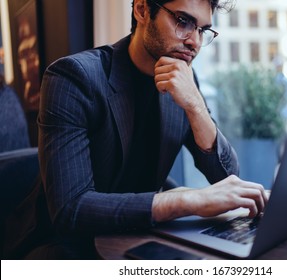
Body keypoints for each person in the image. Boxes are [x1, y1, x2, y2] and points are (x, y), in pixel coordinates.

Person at [4, 0, 268, 259]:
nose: (194, 42)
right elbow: (71, 210)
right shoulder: (73, 77)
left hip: (139, 233)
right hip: (60, 246)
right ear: (142, 9)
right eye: (183, 21)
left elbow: (226, 175)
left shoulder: (184, 78)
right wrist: (189, 200)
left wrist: (196, 107)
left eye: (202, 29)